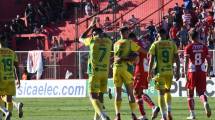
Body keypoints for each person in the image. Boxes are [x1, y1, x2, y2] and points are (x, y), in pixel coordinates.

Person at [79, 17, 112, 120]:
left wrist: (90, 27)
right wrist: (101, 30)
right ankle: (97, 117)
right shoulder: (108, 41)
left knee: (92, 95)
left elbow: (81, 38)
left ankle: (103, 116)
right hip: (104, 73)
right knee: (100, 95)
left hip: (94, 72)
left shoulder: (92, 40)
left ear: (93, 34)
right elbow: (105, 35)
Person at [113, 27, 147, 120]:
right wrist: (135, 55)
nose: (129, 34)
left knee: (118, 93)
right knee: (130, 93)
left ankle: (117, 115)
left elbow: (116, 57)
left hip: (116, 68)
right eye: (128, 32)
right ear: (125, 33)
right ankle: (133, 114)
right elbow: (143, 51)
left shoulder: (115, 44)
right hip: (126, 69)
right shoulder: (130, 42)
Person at [147, 28, 180, 120]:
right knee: (168, 91)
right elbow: (177, 58)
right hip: (169, 71)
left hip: (159, 72)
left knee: (161, 93)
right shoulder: (172, 44)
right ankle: (169, 110)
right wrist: (177, 71)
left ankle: (164, 116)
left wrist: (149, 73)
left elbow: (151, 60)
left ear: (158, 34)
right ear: (166, 34)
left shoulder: (155, 44)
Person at [128, 33, 160, 120]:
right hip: (145, 69)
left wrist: (128, 59)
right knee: (139, 93)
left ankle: (153, 107)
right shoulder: (142, 42)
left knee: (136, 92)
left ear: (131, 38)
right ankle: (144, 115)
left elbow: (136, 57)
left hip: (140, 69)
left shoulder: (136, 44)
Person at [184, 29, 212, 119]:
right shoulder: (204, 47)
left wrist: (185, 73)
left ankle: (192, 115)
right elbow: (209, 61)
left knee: (189, 93)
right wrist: (207, 71)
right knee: (201, 92)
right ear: (197, 36)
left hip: (192, 71)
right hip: (202, 71)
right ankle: (205, 102)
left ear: (190, 37)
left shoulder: (188, 47)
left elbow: (186, 61)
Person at [0, 39, 21, 119]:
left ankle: (5, 112)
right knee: (8, 99)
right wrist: (18, 80)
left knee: (2, 99)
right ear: (6, 42)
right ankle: (16, 105)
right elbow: (17, 68)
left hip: (1, 79)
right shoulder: (12, 52)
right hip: (10, 79)